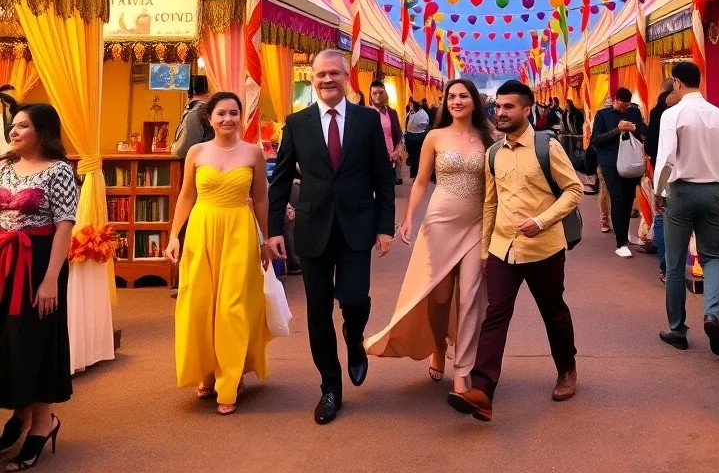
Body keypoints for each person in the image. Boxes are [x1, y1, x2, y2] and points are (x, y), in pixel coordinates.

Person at [267, 49, 395, 425]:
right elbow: (280, 180)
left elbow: (383, 179)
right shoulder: (297, 123)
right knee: (318, 313)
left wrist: (385, 226)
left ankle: (355, 339)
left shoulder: (368, 121)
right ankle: (330, 388)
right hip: (312, 229)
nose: (326, 80)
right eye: (320, 74)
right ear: (313, 79)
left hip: (357, 226)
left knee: (354, 299)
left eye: (333, 74)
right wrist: (275, 228)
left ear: (346, 76)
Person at [447, 80, 583, 422]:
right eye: (498, 106)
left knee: (553, 311)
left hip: (544, 248)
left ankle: (567, 369)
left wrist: (543, 220)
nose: (501, 112)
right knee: (495, 315)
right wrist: (484, 249)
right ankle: (482, 392)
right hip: (502, 250)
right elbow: (490, 203)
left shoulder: (545, 146)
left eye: (509, 107)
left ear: (527, 110)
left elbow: (573, 190)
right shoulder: (493, 153)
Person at [366, 79, 492, 394]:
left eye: (464, 96)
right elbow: (421, 180)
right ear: (445, 102)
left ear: (474, 102)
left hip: (477, 225)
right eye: (452, 96)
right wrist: (408, 218)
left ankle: (463, 371)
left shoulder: (489, 138)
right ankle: (438, 345)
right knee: (438, 298)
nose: (458, 101)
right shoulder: (435, 137)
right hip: (439, 223)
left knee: (471, 297)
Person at [165, 92, 270, 415]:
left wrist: (264, 239)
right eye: (221, 113)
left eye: (234, 113)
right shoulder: (196, 152)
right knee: (200, 303)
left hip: (239, 230)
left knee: (232, 306)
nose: (228, 119)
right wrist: (173, 236)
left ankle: (230, 378)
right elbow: (185, 197)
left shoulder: (254, 153)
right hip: (201, 229)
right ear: (209, 119)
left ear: (242, 116)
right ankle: (208, 372)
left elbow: (262, 200)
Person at [0, 98, 76, 473]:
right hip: (4, 261)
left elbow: (65, 225)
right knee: (10, 339)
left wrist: (50, 281)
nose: (14, 131)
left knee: (38, 337)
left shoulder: (59, 170)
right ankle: (19, 414)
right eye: (13, 126)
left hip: (41, 261)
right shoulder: (5, 168)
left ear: (42, 131)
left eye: (23, 125)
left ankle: (42, 423)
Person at [654, 61, 719, 357]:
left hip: (679, 192)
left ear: (677, 83)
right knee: (712, 257)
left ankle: (677, 330)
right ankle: (712, 314)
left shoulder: (672, 114)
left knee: (676, 265)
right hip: (712, 192)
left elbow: (666, 159)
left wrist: (657, 191)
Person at [591, 87, 647, 258]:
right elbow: (596, 140)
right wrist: (617, 130)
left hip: (631, 162)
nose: (625, 109)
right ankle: (620, 242)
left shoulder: (635, 112)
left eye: (627, 106)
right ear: (615, 100)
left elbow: (645, 132)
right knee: (618, 198)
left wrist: (634, 128)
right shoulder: (602, 115)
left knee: (629, 199)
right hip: (610, 162)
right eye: (622, 106)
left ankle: (624, 233)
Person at [645, 78, 676, 283]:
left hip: (667, 174)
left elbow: (664, 155)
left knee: (664, 219)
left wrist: (658, 189)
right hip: (705, 183)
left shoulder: (660, 112)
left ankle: (667, 268)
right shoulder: (715, 114)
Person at [369, 80, 404, 186]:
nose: (378, 96)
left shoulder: (392, 113)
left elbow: (398, 134)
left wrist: (397, 152)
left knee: (388, 195)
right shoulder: (365, 113)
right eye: (375, 93)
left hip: (390, 161)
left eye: (381, 93)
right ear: (370, 95)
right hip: (371, 162)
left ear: (385, 94)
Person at [170, 75, 212, 159]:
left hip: (200, 165)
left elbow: (181, 151)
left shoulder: (195, 113)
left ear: (187, 93)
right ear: (207, 93)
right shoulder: (209, 109)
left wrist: (173, 147)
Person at [403, 99, 430, 179]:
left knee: (415, 155)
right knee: (416, 155)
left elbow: (409, 125)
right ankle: (416, 171)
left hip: (415, 136)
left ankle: (414, 172)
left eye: (411, 105)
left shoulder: (417, 113)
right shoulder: (417, 113)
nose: (409, 106)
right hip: (415, 136)